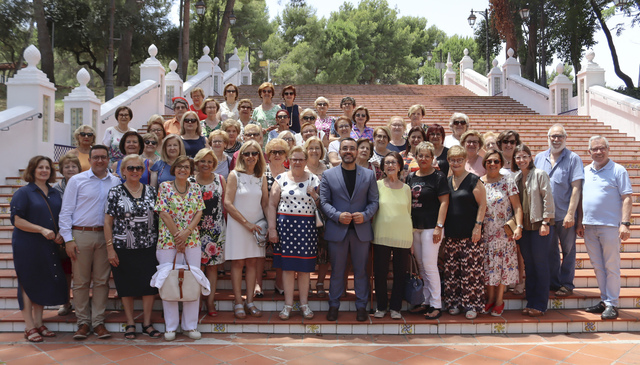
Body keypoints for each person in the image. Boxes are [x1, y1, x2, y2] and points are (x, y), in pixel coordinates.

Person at [59, 145, 121, 340]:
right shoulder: (77, 181)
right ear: (90, 159)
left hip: (105, 236)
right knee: (81, 282)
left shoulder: (116, 181)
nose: (100, 161)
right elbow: (66, 212)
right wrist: (68, 239)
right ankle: (83, 323)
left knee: (102, 281)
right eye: (96, 157)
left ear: (109, 159)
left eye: (103, 157)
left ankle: (98, 322)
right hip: (81, 235)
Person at [319, 138, 379, 322]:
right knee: (337, 270)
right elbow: (324, 202)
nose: (348, 151)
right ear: (340, 151)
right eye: (345, 148)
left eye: (352, 148)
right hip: (338, 230)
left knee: (361, 271)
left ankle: (361, 306)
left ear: (357, 151)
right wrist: (337, 215)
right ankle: (333, 305)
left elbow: (374, 201)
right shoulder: (329, 175)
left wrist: (366, 215)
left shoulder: (369, 175)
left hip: (361, 230)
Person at [11, 156, 67, 342]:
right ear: (32, 170)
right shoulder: (24, 192)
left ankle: (38, 322)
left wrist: (60, 234)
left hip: (48, 243)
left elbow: (58, 218)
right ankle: (29, 326)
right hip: (27, 244)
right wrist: (41, 229)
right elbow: (17, 220)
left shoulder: (54, 193)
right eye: (40, 167)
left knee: (43, 280)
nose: (44, 170)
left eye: (47, 168)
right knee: (28, 282)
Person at [104, 154, 161, 339]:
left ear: (143, 171)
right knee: (125, 286)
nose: (135, 171)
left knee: (149, 286)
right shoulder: (115, 192)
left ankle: (146, 323)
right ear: (123, 172)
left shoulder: (152, 192)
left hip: (148, 246)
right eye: (130, 168)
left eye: (138, 168)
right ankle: (130, 323)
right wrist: (110, 248)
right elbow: (107, 222)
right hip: (122, 246)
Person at [578, 136, 632, 320]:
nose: (599, 152)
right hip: (589, 226)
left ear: (608, 150)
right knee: (598, 266)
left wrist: (625, 223)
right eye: (595, 149)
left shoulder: (618, 170)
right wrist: (579, 222)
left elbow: (627, 198)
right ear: (589, 152)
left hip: (610, 226)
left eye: (602, 148)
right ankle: (604, 300)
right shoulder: (585, 171)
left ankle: (613, 303)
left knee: (611, 265)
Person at [153, 156, 206, 340]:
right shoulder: (165, 187)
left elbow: (199, 211)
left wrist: (187, 233)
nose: (183, 170)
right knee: (169, 280)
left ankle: (190, 326)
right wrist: (178, 237)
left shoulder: (196, 188)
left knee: (193, 279)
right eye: (179, 167)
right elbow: (163, 212)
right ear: (174, 169)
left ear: (191, 170)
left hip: (192, 240)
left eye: (186, 167)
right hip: (168, 241)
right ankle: (171, 326)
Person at [268, 146, 320, 320]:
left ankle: (304, 305)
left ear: (305, 161)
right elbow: (272, 204)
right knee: (288, 269)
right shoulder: (281, 178)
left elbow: (321, 205)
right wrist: (272, 228)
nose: (297, 162)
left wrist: (314, 195)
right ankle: (288, 305)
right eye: (294, 159)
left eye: (300, 159)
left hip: (306, 229)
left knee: (305, 270)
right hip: (285, 229)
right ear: (288, 160)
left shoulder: (313, 179)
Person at [534, 124, 584, 297]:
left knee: (568, 250)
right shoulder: (539, 158)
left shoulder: (573, 159)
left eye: (560, 136)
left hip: (565, 215)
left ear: (565, 138)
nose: (556, 140)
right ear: (548, 138)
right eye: (553, 136)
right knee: (550, 250)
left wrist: (572, 214)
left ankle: (567, 283)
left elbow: (576, 188)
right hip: (546, 216)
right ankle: (555, 283)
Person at [224, 140, 269, 319]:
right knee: (237, 263)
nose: (251, 157)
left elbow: (265, 203)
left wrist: (270, 225)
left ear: (259, 156)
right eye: (247, 153)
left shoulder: (262, 176)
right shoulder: (235, 175)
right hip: (238, 225)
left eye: (254, 153)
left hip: (257, 226)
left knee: (252, 263)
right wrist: (246, 223)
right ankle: (237, 302)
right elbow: (227, 203)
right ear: (241, 155)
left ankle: (250, 301)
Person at [406, 142, 449, 319]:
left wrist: (439, 226)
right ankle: (425, 301)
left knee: (430, 266)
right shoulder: (410, 177)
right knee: (422, 267)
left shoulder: (438, 177)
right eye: (420, 155)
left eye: (427, 156)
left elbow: (444, 202)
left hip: (432, 227)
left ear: (433, 158)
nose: (423, 159)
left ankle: (436, 304)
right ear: (416, 156)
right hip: (415, 227)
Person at [442, 145, 486, 320]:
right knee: (452, 270)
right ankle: (454, 303)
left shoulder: (474, 180)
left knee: (471, 272)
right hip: (451, 233)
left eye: (459, 159)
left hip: (470, 234)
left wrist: (478, 226)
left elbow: (482, 204)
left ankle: (472, 305)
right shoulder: (447, 181)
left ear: (465, 160)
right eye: (452, 160)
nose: (456, 162)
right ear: (449, 161)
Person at [513, 144, 555, 317]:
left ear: (531, 158)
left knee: (540, 264)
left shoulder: (540, 174)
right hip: (524, 228)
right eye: (518, 157)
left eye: (524, 156)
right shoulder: (516, 177)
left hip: (539, 226)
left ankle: (540, 304)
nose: (521, 160)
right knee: (529, 265)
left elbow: (548, 198)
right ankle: (530, 300)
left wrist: (546, 221)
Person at [481, 149, 523, 317]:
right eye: (489, 161)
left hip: (504, 233)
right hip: (486, 233)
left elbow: (517, 206)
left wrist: (519, 226)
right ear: (484, 163)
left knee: (502, 267)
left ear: (501, 164)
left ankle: (499, 300)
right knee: (489, 267)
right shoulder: (479, 182)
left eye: (496, 161)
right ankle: (489, 298)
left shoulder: (508, 181)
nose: (492, 164)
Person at [372, 152, 412, 320]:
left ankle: (396, 307)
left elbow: (408, 212)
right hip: (381, 235)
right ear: (382, 167)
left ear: (399, 165)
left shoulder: (406, 188)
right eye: (387, 162)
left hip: (403, 236)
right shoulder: (377, 185)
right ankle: (381, 306)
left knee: (400, 273)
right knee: (380, 272)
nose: (390, 165)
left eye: (393, 162)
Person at [189, 149, 226, 317]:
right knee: (196, 268)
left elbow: (226, 204)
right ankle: (195, 301)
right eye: (202, 161)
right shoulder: (189, 181)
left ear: (214, 164)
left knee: (212, 268)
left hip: (215, 230)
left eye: (210, 161)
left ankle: (210, 301)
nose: (206, 164)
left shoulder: (220, 180)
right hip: (194, 230)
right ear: (197, 163)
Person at [52, 153, 81, 316]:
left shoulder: (84, 184)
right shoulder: (55, 189)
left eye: (73, 166)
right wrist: (61, 231)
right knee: (66, 272)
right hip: (62, 235)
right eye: (67, 166)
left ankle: (81, 303)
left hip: (81, 232)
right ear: (61, 170)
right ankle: (66, 301)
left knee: (82, 272)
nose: (70, 169)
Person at [263, 138, 290, 296]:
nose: (277, 155)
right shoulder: (262, 172)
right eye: (274, 152)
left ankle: (280, 283)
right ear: (268, 155)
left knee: (283, 252)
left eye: (281, 152)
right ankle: (258, 284)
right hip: (264, 215)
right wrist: (270, 223)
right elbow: (265, 201)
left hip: (285, 218)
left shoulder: (290, 174)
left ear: (286, 155)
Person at [304, 137, 330, 297]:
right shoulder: (300, 167)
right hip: (303, 216)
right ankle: (306, 283)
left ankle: (320, 282)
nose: (314, 151)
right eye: (311, 148)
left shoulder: (326, 169)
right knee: (305, 251)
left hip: (322, 215)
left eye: (317, 148)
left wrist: (316, 197)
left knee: (323, 252)